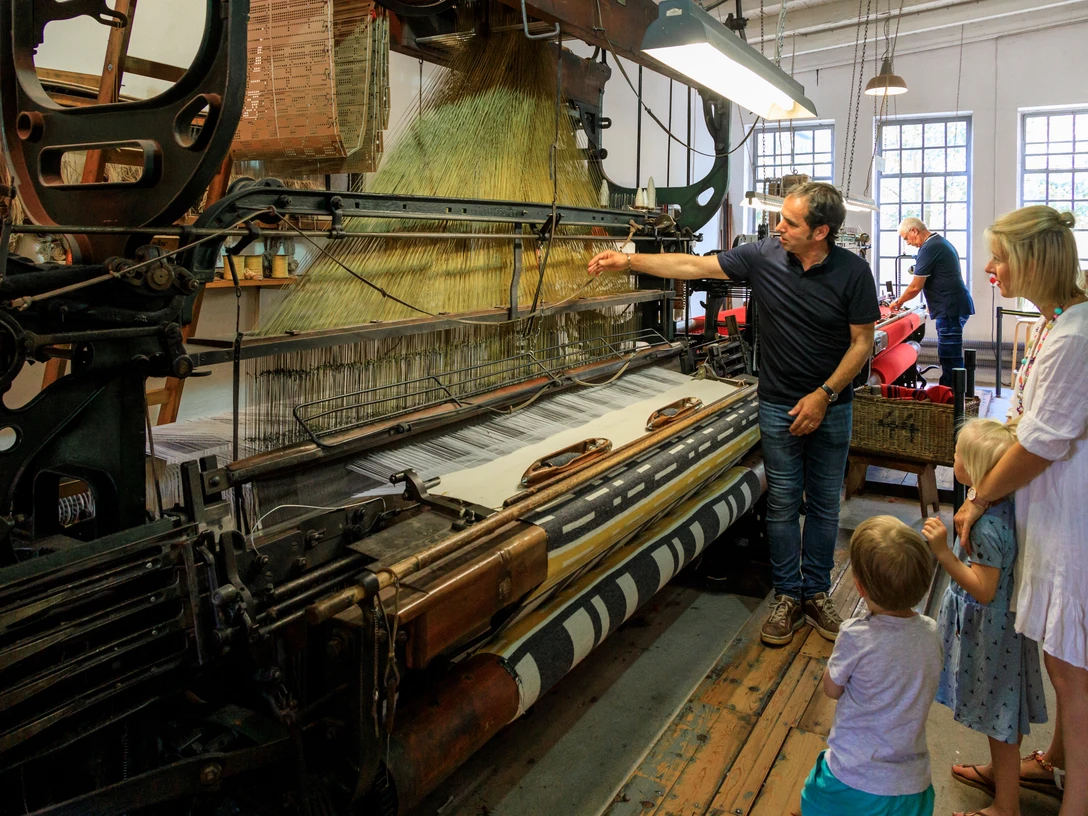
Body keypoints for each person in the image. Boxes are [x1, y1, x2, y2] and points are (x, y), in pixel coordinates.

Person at [589, 182, 879, 646]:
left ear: (821, 231)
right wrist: (629, 261)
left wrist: (824, 394)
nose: (776, 227)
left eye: (790, 222)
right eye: (779, 218)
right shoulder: (764, 255)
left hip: (832, 406)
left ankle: (817, 593)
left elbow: (862, 342)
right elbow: (693, 264)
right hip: (779, 402)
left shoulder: (854, 273)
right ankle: (788, 596)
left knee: (824, 504)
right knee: (783, 503)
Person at [953, 206, 1088, 815]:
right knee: (1068, 658)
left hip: (1069, 520)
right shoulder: (1058, 323)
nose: (990, 268)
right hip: (1054, 508)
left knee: (1071, 671)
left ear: (1035, 260)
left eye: (1000, 257)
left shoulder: (1074, 335)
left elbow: (1043, 443)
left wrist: (977, 499)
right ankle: (1054, 761)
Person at [923, 419, 1047, 816]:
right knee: (1000, 716)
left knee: (1000, 719)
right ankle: (1000, 776)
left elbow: (984, 588)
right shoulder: (1001, 504)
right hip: (1000, 630)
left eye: (959, 455)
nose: (953, 457)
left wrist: (943, 553)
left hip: (994, 634)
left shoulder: (989, 526)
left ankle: (1005, 807)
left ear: (974, 469)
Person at [799, 516, 941, 816]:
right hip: (913, 786)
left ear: (860, 587)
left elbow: (832, 689)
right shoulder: (930, 632)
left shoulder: (856, 635)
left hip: (853, 780)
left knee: (812, 797)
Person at [893, 217, 975, 387]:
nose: (907, 243)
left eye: (906, 238)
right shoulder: (938, 242)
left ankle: (951, 398)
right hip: (952, 306)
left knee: (949, 356)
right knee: (949, 355)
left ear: (914, 231)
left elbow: (916, 286)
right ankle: (949, 394)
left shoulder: (930, 247)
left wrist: (898, 302)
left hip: (950, 309)